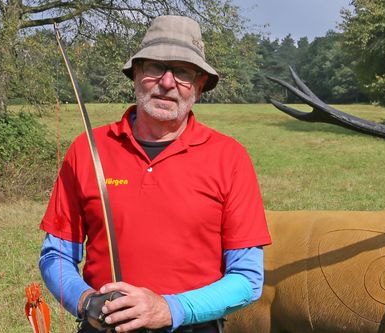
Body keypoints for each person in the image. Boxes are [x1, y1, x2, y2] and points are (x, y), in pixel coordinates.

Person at [39, 15, 271, 333]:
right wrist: (85, 301)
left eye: (183, 72)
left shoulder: (229, 157)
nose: (167, 82)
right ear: (135, 73)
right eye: (154, 68)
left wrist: (169, 309)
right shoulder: (87, 149)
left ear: (199, 86)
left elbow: (247, 280)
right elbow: (56, 254)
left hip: (194, 327)